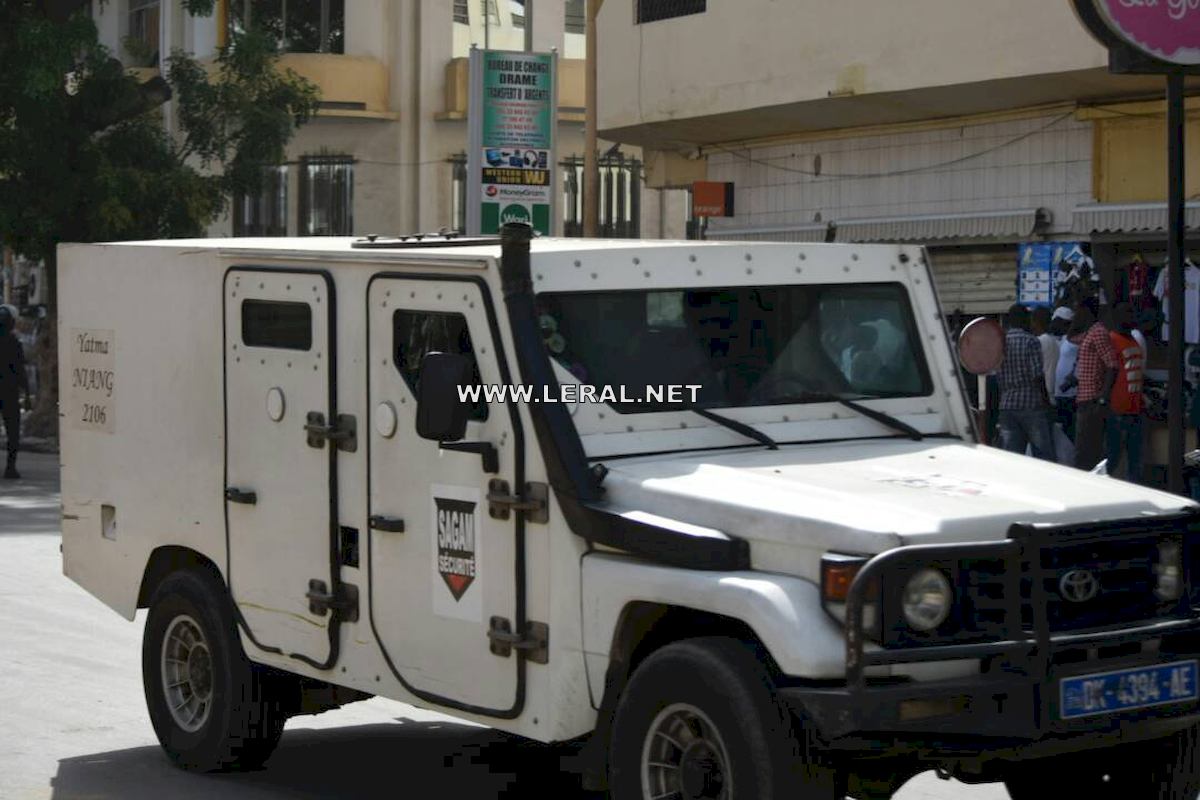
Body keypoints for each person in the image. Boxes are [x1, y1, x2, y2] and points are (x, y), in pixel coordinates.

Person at [996, 303, 1055, 461]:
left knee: (1013, 456)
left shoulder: (1000, 343)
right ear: (1025, 319)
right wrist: (1046, 401)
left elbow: (996, 375)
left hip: (1007, 405)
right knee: (1043, 455)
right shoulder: (1031, 341)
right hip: (1031, 404)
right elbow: (1037, 375)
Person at [1071, 302, 1120, 472]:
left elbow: (1112, 365)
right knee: (1084, 450)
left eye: (1077, 311)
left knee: (1086, 451)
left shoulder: (1098, 333)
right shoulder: (1088, 333)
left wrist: (1102, 397)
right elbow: (1070, 336)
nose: (1074, 316)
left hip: (1092, 400)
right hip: (1085, 399)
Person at [1106, 302, 1146, 483]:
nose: (1132, 317)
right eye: (1128, 313)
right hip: (1118, 408)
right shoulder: (1111, 340)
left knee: (1135, 459)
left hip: (1135, 407)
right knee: (1113, 456)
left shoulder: (1134, 340)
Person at [0, 305, 30, 479]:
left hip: (9, 392)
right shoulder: (14, 343)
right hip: (9, 393)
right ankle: (10, 467)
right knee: (13, 430)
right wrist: (26, 394)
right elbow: (20, 370)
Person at [1051, 306, 1078, 440]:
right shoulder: (1059, 340)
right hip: (1059, 394)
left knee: (1070, 430)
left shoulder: (1074, 341)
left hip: (1070, 393)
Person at [1031, 306, 1060, 401]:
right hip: (1053, 389)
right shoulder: (1054, 341)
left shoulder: (1039, 341)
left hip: (1044, 393)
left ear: (1036, 322)